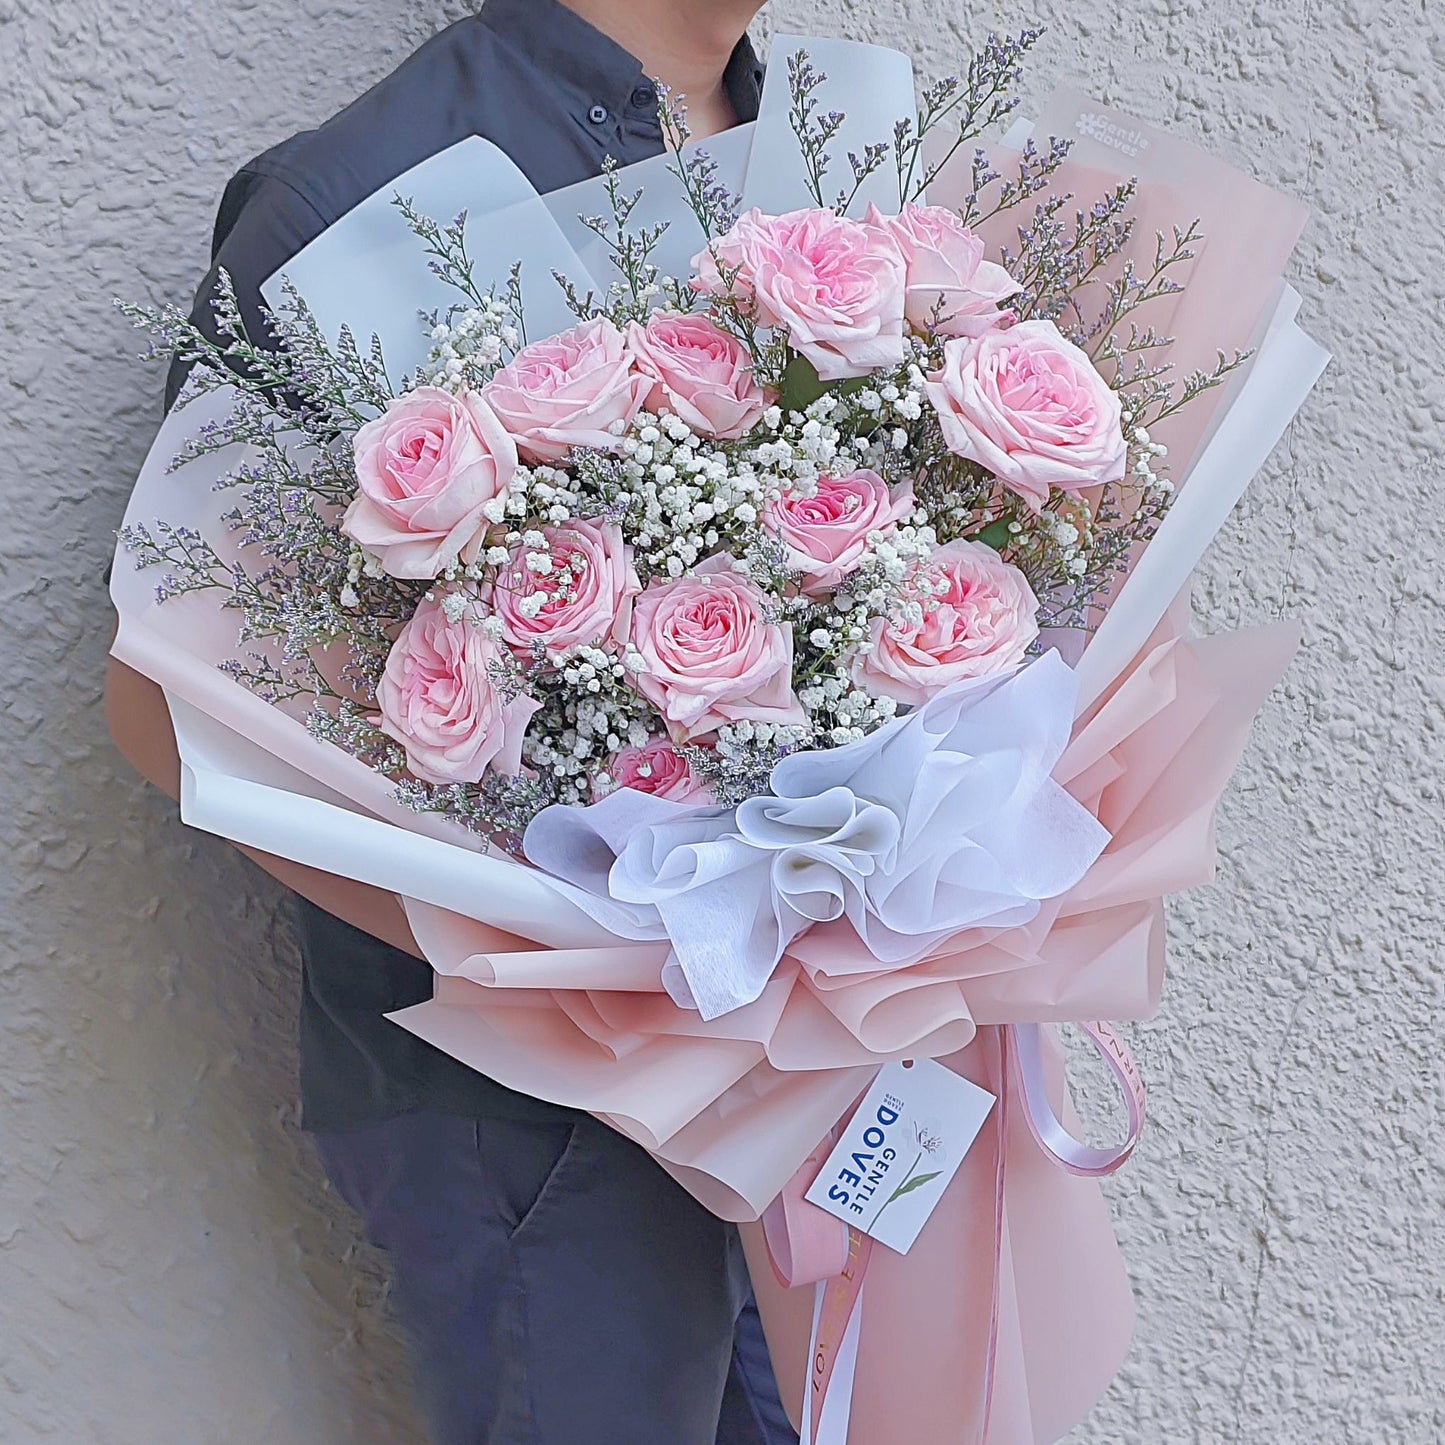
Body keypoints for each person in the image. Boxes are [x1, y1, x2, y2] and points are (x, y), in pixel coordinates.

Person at [104, 3, 798, 1442]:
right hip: (538, 1127)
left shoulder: (817, 137)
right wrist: (559, 966)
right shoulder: (368, 189)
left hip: (807, 1069)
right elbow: (169, 706)